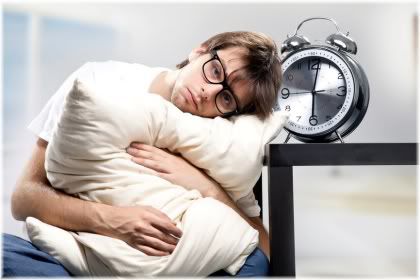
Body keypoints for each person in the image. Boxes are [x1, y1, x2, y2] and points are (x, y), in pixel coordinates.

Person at [3, 31, 282, 277]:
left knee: (254, 262)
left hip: (172, 269)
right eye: (216, 71)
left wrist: (207, 188)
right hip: (68, 255)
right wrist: (113, 220)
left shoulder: (219, 141)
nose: (207, 92)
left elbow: (266, 248)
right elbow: (24, 197)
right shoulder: (98, 82)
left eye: (226, 98)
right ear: (200, 50)